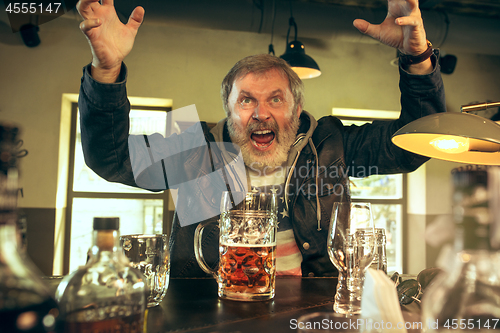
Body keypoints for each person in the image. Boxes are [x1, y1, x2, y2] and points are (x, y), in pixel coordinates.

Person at [76, 0, 446, 277]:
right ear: (229, 109)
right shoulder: (194, 146)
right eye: (246, 100)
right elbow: (110, 159)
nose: (260, 113)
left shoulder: (331, 141)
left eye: (275, 99)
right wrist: (107, 72)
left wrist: (417, 60)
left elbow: (417, 144)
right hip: (213, 307)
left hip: (313, 309)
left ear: (297, 109)